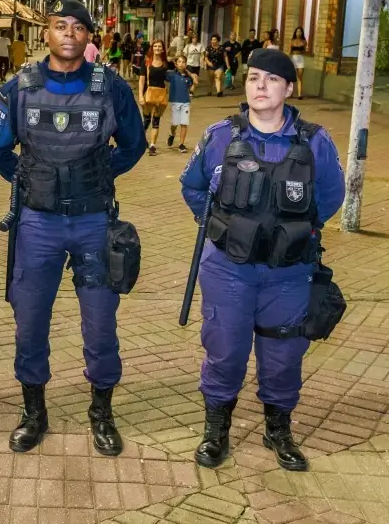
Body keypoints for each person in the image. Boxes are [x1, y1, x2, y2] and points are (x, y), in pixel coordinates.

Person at [0, 0, 147, 457]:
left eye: (78, 27)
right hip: (38, 224)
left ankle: (102, 412)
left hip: (94, 221)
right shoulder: (18, 88)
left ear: (89, 36)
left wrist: (97, 175)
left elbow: (133, 145)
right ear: (46, 33)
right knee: (30, 322)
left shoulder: (111, 87)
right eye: (60, 25)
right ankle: (34, 412)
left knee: (100, 325)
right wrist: (33, 179)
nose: (69, 34)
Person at [180, 48, 345, 472]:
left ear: (289, 89)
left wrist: (286, 237)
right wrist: (223, 227)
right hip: (228, 270)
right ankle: (216, 430)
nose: (260, 86)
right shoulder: (220, 136)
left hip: (289, 274)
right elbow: (193, 187)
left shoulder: (315, 142)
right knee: (225, 351)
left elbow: (329, 198)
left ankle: (279, 430)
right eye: (254, 77)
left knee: (284, 355)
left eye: (271, 80)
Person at [139, 39, 170, 156]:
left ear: (162, 49)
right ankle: (141, 140)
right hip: (149, 93)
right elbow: (142, 81)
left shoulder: (166, 63)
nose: (157, 48)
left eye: (159, 46)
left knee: (156, 121)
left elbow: (169, 79)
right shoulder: (147, 62)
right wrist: (141, 96)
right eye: (155, 46)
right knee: (146, 121)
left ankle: (152, 145)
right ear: (152, 48)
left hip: (160, 95)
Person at [166, 54, 197, 153]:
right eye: (179, 62)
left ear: (186, 64)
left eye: (183, 62)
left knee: (184, 123)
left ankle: (181, 144)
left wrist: (191, 76)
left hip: (186, 102)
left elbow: (194, 85)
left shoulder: (188, 77)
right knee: (175, 123)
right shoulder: (171, 74)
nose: (181, 64)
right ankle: (172, 134)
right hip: (175, 101)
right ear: (176, 64)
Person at [290, 27, 307, 100]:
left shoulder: (304, 41)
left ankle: (299, 94)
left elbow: (305, 50)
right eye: (297, 32)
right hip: (293, 58)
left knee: (300, 76)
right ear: (295, 33)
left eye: (300, 32)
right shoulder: (292, 41)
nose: (298, 33)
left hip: (300, 58)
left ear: (302, 33)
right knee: (293, 76)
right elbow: (289, 51)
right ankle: (291, 93)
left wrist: (305, 50)